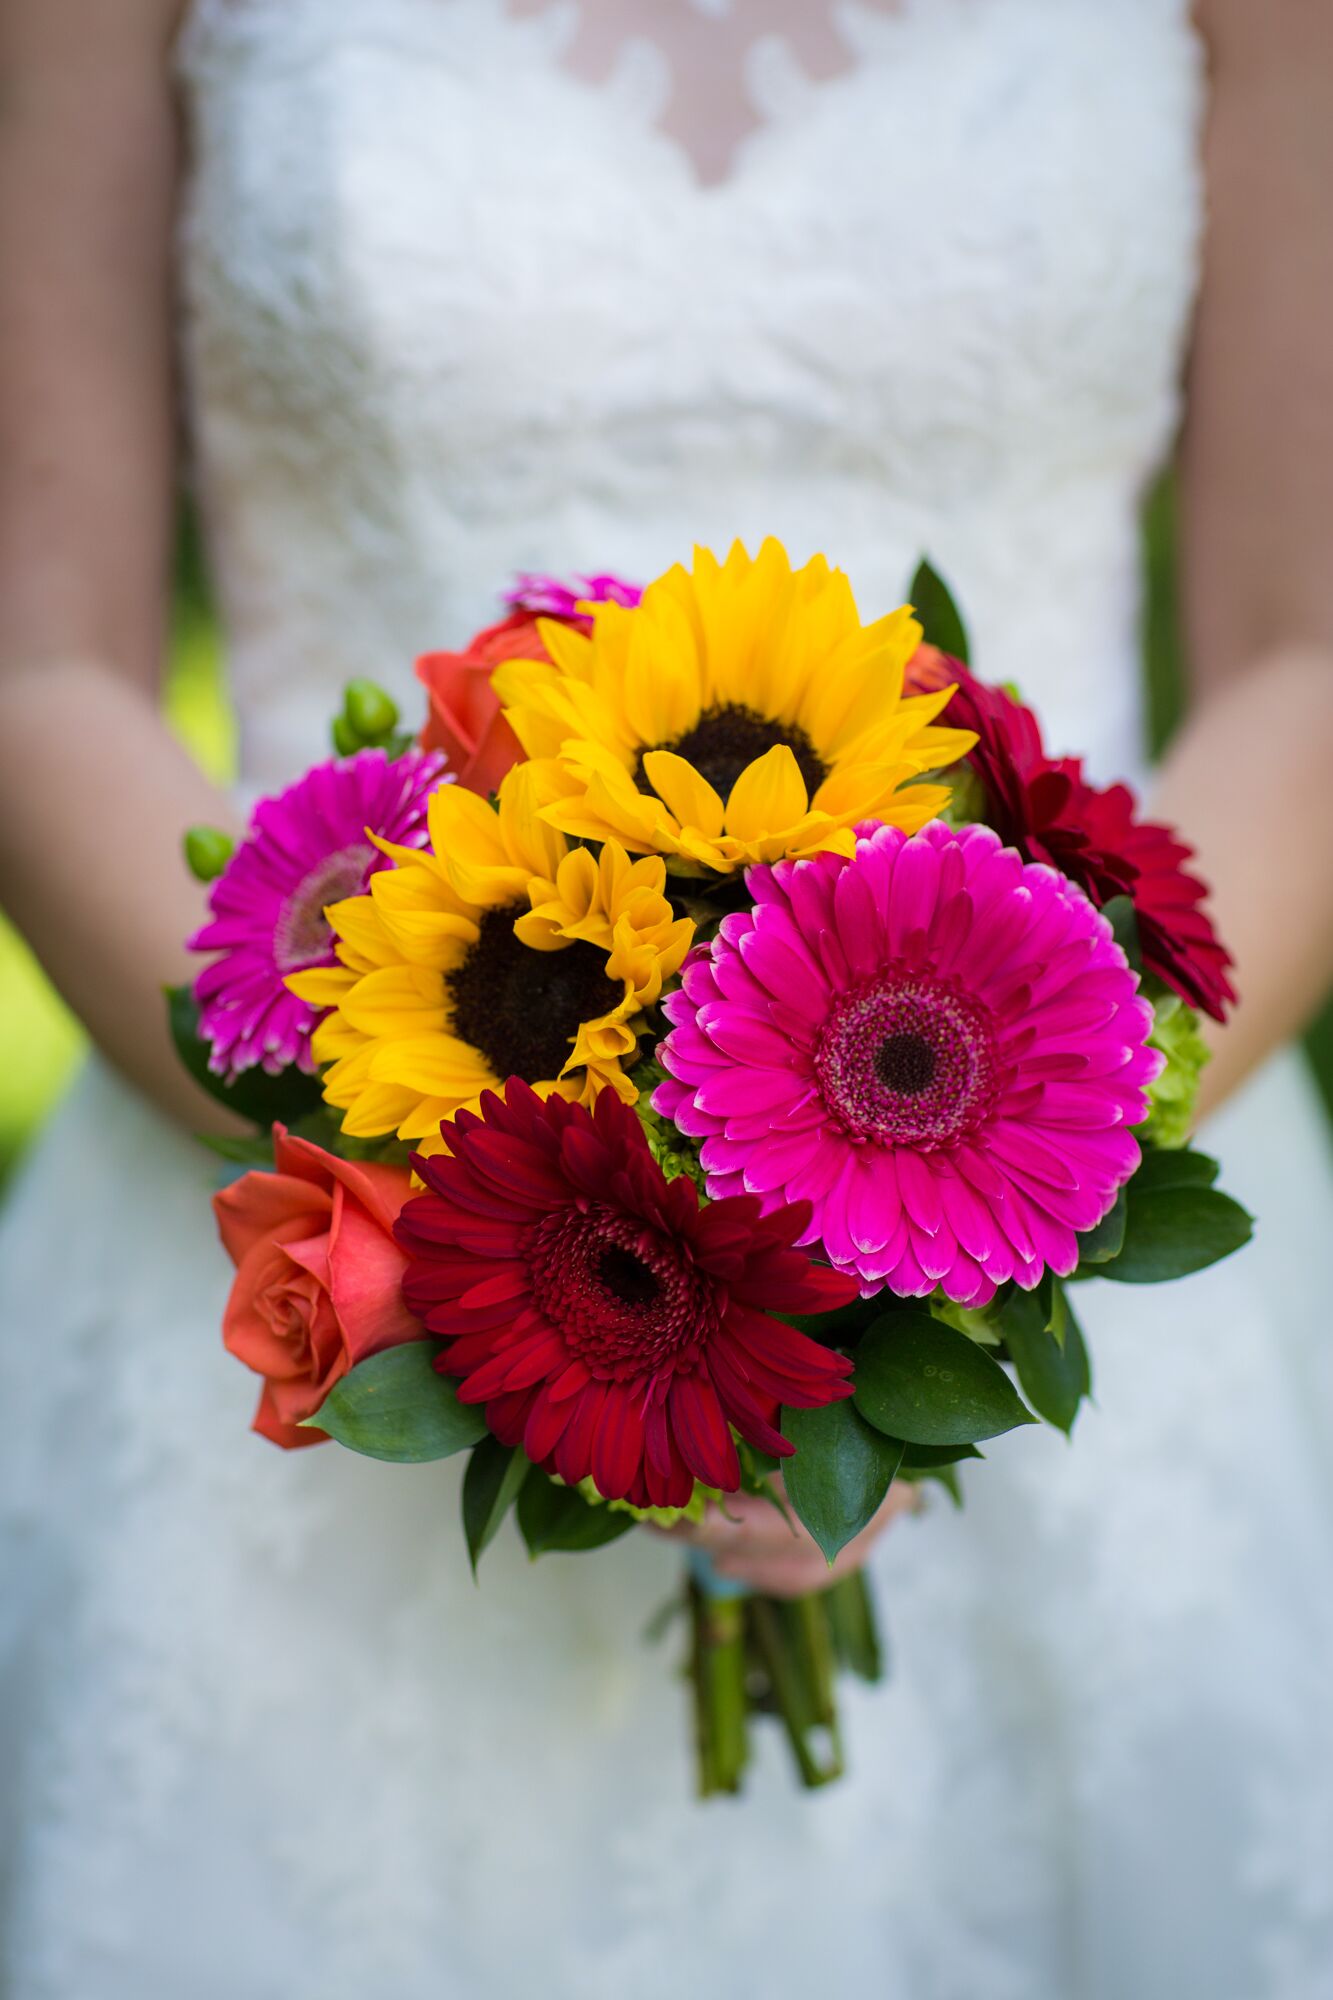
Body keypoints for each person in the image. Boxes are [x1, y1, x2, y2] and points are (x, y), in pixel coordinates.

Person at [2, 1, 1332, 1994]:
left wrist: (967, 1216)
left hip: (1071, 1228)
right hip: (320, 1166)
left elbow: (1302, 650)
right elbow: (39, 656)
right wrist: (483, 1235)